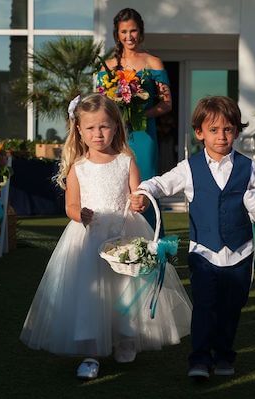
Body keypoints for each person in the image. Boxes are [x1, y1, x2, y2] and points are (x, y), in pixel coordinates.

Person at [20, 94, 191, 381]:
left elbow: (138, 194)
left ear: (116, 127)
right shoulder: (79, 168)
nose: (98, 134)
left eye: (104, 126)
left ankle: (126, 337)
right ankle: (91, 352)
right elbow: (70, 206)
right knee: (91, 294)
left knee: (126, 288)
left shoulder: (125, 161)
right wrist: (80, 214)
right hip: (89, 238)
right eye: (90, 128)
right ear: (79, 131)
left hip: (125, 232)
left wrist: (140, 202)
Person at [130, 96, 255, 380]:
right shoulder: (189, 168)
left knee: (231, 308)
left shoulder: (247, 166)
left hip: (240, 252)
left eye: (228, 129)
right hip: (203, 252)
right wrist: (143, 191)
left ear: (237, 131)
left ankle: (225, 355)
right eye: (213, 130)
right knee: (204, 307)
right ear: (200, 133)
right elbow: (162, 183)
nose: (221, 136)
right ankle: (199, 359)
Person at [98, 7, 172, 231]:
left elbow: (167, 104)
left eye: (133, 30)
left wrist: (141, 113)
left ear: (140, 32)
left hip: (143, 135)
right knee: (117, 187)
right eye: (124, 32)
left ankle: (151, 242)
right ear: (117, 34)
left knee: (145, 186)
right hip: (116, 137)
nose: (129, 36)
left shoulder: (153, 63)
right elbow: (102, 106)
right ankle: (116, 242)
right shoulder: (108, 67)